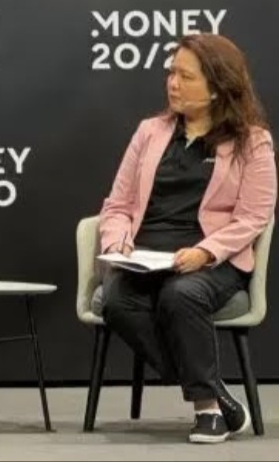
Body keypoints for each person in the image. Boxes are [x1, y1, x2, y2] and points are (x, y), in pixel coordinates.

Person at [98, 33, 276, 444]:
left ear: (216, 87)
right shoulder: (150, 132)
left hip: (213, 260)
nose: (173, 84)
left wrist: (204, 252)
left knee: (180, 295)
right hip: (145, 257)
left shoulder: (253, 142)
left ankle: (208, 409)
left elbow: (254, 217)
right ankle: (216, 391)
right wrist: (117, 244)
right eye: (171, 73)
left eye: (186, 76)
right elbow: (118, 204)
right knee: (116, 300)